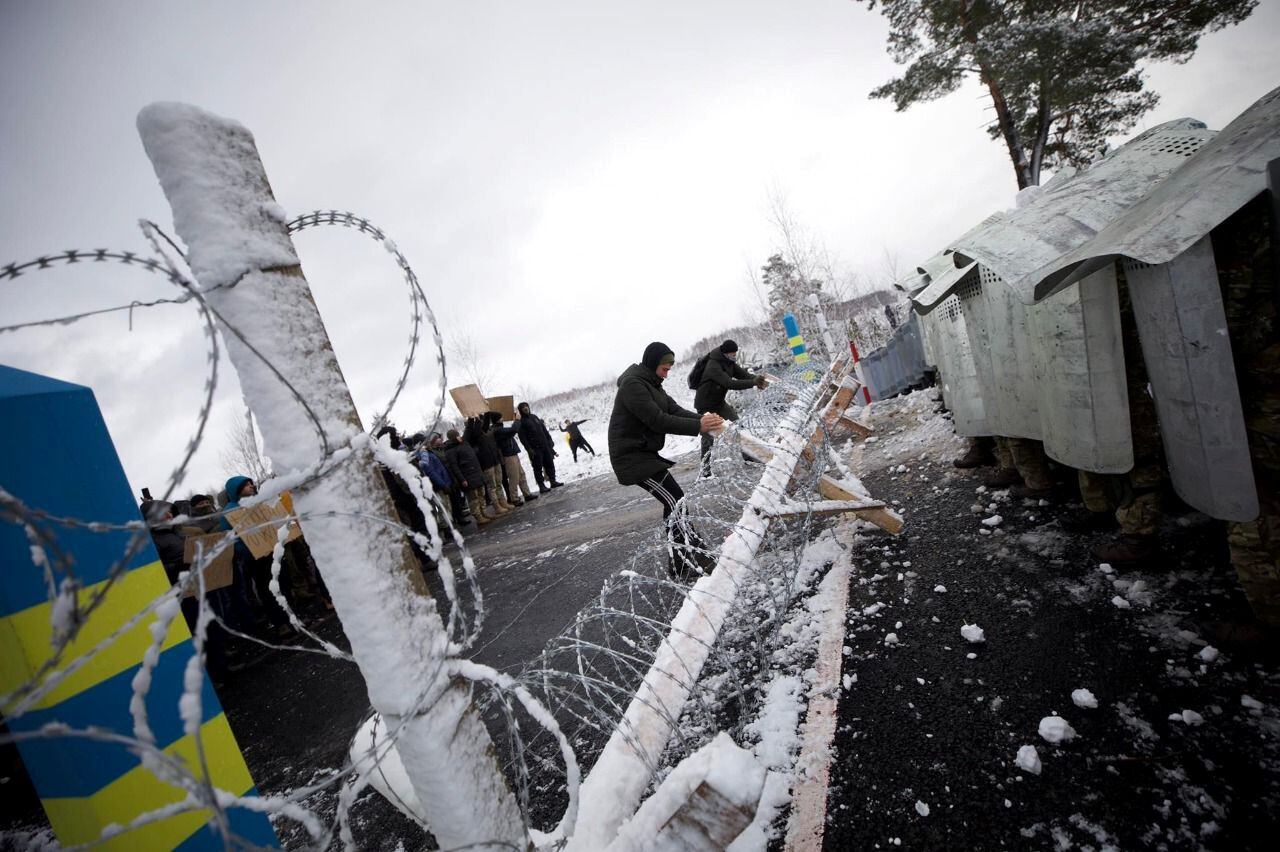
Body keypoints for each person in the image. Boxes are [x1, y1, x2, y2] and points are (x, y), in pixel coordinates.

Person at [609, 341, 723, 578]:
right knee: (676, 501)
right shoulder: (633, 385)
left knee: (675, 502)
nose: (667, 374)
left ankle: (680, 562)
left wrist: (704, 419)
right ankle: (696, 555)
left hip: (644, 454)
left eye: (669, 369)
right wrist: (697, 426)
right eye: (665, 368)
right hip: (631, 457)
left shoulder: (652, 384)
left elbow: (673, 409)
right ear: (653, 364)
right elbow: (657, 419)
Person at [694, 339, 766, 476]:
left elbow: (742, 375)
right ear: (726, 353)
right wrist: (752, 383)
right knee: (709, 437)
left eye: (735, 353)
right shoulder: (713, 366)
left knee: (737, 425)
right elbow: (729, 383)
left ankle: (749, 457)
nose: (734, 356)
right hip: (705, 405)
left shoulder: (729, 363)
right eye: (732, 354)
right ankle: (705, 469)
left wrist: (757, 379)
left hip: (719, 403)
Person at [465, 415, 513, 518]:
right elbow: (476, 429)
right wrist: (474, 418)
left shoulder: (488, 431)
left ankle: (503, 501)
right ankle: (496, 506)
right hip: (487, 464)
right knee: (492, 486)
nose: (482, 423)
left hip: (495, 460)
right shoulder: (475, 436)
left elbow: (486, 423)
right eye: (480, 422)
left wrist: (486, 412)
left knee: (499, 483)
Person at [445, 429, 490, 526]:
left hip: (476, 474)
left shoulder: (465, 444)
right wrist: (462, 479)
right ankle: (478, 516)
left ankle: (484, 513)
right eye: (457, 435)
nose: (459, 436)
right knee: (473, 499)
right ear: (453, 437)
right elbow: (454, 467)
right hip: (467, 477)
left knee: (481, 495)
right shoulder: (450, 451)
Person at [493, 412, 538, 505]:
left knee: (521, 475)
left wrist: (515, 421)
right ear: (497, 419)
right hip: (508, 456)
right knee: (514, 477)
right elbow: (514, 429)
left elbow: (512, 431)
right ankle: (514, 498)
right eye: (500, 417)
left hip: (513, 453)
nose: (502, 418)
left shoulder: (500, 429)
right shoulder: (497, 430)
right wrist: (517, 420)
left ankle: (527, 494)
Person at [518, 402, 563, 492]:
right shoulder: (521, 422)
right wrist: (529, 449)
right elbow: (522, 438)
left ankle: (553, 481)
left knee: (550, 463)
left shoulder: (534, 417)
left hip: (544, 445)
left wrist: (549, 440)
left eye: (526, 406)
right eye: (523, 407)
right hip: (535, 448)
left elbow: (543, 429)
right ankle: (541, 486)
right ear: (521, 410)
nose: (526, 408)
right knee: (537, 468)